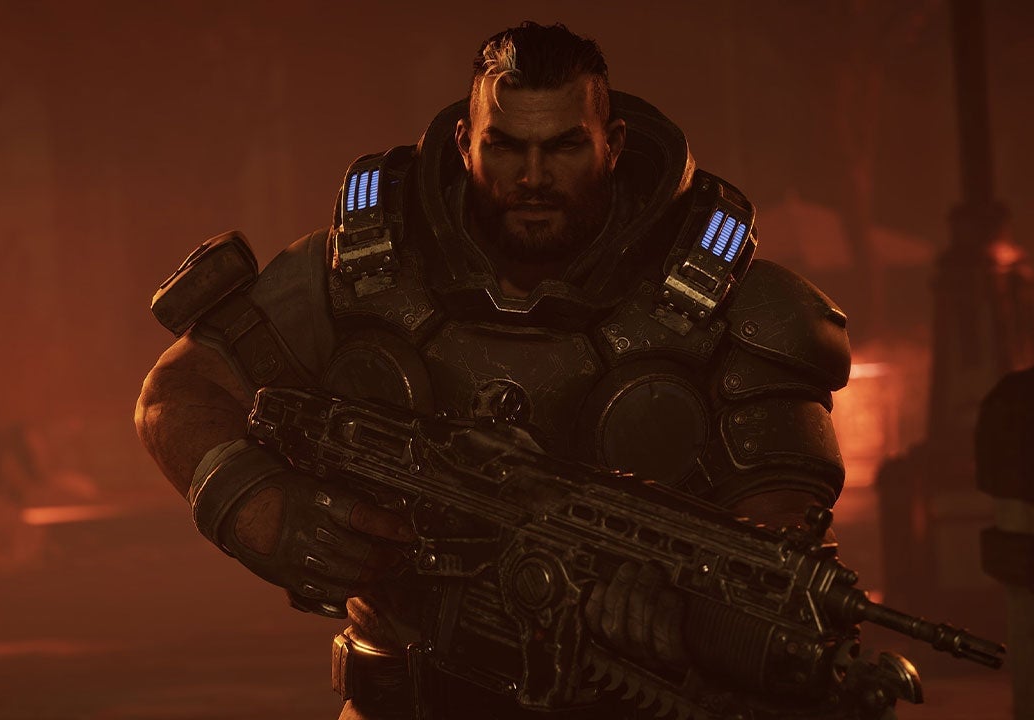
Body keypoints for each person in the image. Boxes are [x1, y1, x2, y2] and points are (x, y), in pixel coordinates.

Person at [135, 22, 851, 720]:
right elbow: (176, 393)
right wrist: (259, 508)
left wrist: (690, 612)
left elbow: (784, 553)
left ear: (613, 145)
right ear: (464, 143)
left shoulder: (729, 305)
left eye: (564, 145)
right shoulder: (364, 274)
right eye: (505, 146)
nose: (533, 177)